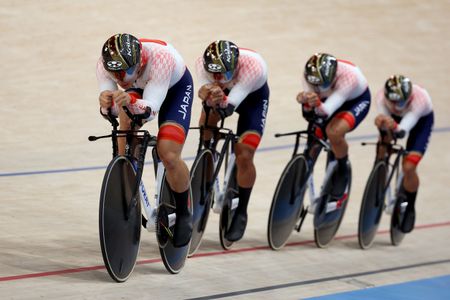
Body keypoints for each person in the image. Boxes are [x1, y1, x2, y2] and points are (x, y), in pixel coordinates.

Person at [96, 33, 194, 247]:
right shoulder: (104, 65)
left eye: (126, 71)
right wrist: (105, 102)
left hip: (174, 89)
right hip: (141, 89)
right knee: (124, 126)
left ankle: (184, 212)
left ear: (140, 62)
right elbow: (110, 111)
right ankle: (124, 175)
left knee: (168, 153)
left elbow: (150, 109)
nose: (121, 78)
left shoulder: (161, 58)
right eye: (115, 74)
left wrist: (129, 98)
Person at [195, 40, 269, 242]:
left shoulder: (252, 66)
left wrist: (218, 96)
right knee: (205, 127)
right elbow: (207, 97)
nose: (219, 78)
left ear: (235, 66)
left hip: (252, 99)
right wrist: (206, 93)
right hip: (224, 95)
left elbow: (229, 106)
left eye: (225, 73)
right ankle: (207, 162)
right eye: (215, 74)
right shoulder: (201, 64)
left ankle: (242, 210)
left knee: (244, 154)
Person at [296, 53, 371, 200]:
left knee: (334, 132)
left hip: (354, 101)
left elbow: (325, 111)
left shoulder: (349, 76)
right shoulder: (307, 75)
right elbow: (309, 115)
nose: (318, 87)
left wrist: (315, 103)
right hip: (329, 99)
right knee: (315, 132)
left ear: (333, 75)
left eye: (322, 84)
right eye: (316, 84)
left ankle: (342, 169)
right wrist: (305, 102)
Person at [374, 75, 434, 233]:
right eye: (393, 102)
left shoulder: (420, 100)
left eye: (401, 102)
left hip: (419, 122)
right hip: (394, 119)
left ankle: (410, 207)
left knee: (408, 167)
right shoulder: (381, 97)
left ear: (409, 96)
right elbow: (384, 124)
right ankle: (379, 173)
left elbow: (401, 132)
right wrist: (383, 126)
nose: (397, 106)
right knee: (382, 146)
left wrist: (393, 126)